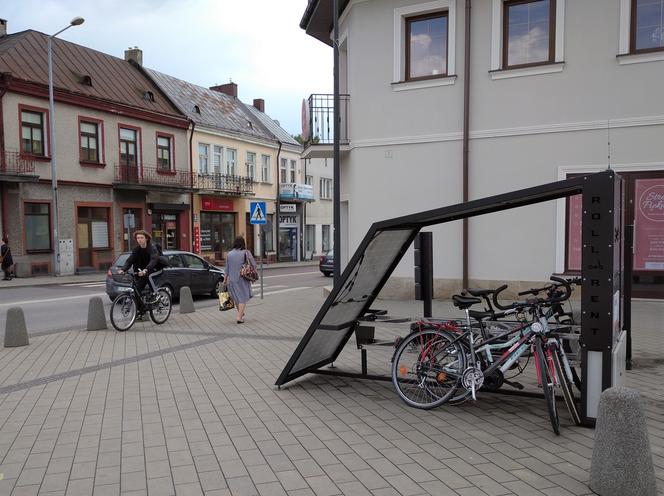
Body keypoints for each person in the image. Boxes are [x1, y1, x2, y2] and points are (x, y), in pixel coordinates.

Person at [118, 230, 165, 304]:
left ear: (146, 238)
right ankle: (141, 308)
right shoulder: (137, 249)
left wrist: (146, 269)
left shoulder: (152, 247)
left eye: (141, 238)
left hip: (155, 268)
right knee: (137, 287)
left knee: (148, 276)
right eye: (138, 238)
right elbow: (130, 260)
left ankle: (155, 294)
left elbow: (153, 259)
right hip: (143, 270)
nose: (139, 240)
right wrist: (123, 269)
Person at [225, 236, 257, 324]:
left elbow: (226, 268)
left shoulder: (229, 254)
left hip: (231, 279)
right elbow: (253, 264)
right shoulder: (246, 253)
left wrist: (225, 279)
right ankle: (239, 317)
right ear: (243, 243)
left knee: (236, 298)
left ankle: (241, 313)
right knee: (242, 298)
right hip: (242, 279)